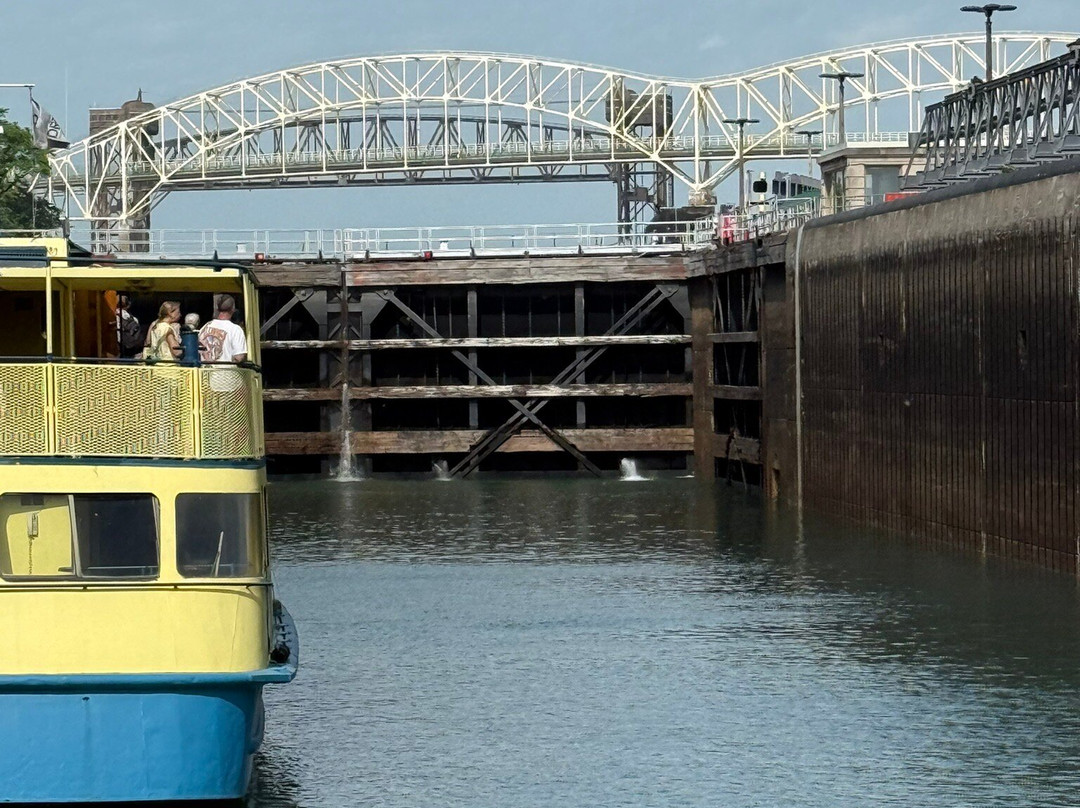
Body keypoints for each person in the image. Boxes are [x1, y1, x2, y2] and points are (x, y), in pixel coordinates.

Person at [198, 295, 247, 364]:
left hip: (205, 372)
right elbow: (239, 357)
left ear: (217, 308)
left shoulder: (205, 326)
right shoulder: (235, 330)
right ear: (233, 309)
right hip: (224, 372)